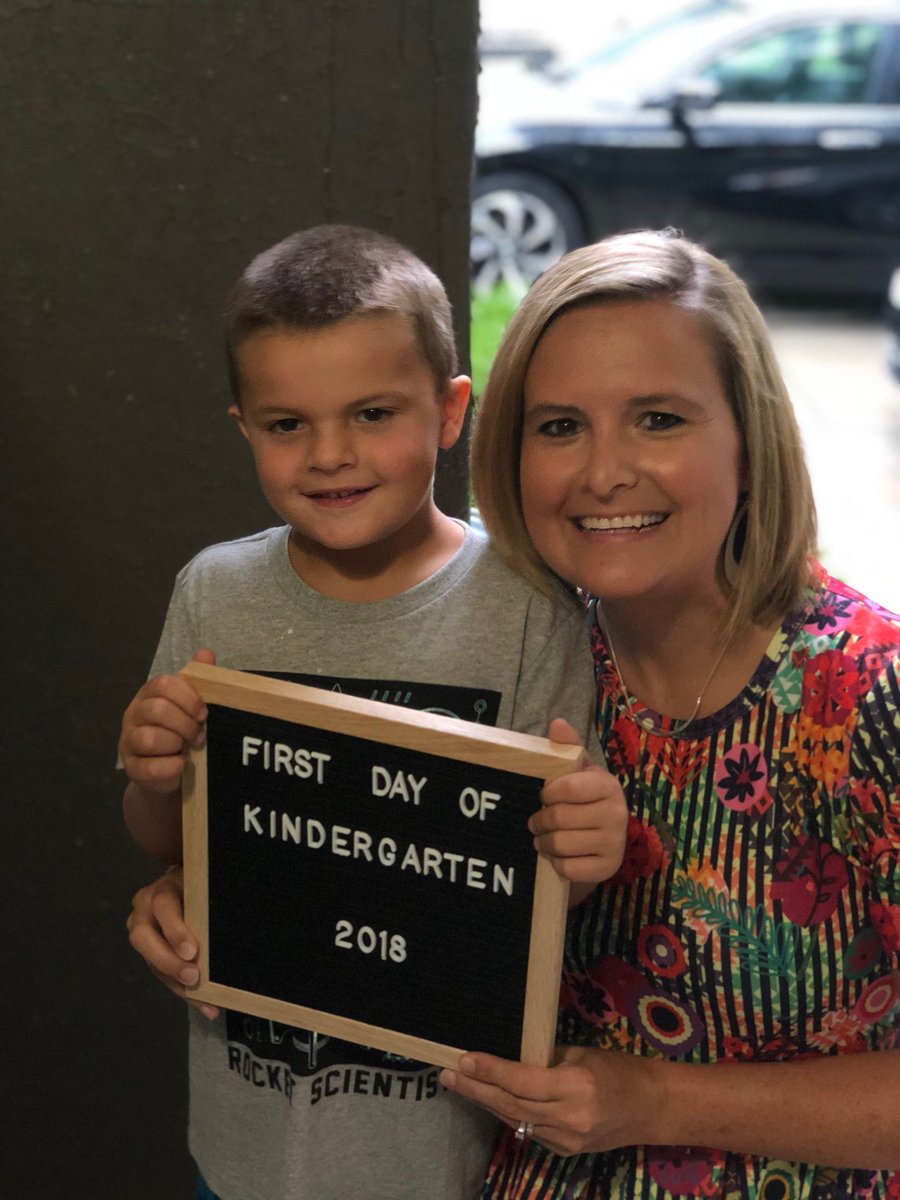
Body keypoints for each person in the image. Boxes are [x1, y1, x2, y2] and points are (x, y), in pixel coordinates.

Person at [119, 224, 628, 1200]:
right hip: (241, 1134)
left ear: (448, 413)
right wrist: (151, 775)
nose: (331, 455)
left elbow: (555, 893)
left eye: (372, 413)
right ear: (243, 425)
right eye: (287, 425)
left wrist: (590, 844)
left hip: (435, 1150)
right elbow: (166, 843)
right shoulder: (215, 594)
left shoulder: (527, 611)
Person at [439, 229, 900, 1198]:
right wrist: (208, 899)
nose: (604, 472)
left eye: (657, 419)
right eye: (559, 425)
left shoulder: (867, 694)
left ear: (749, 436)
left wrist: (655, 1098)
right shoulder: (511, 655)